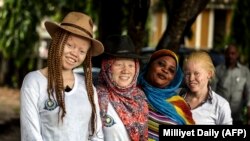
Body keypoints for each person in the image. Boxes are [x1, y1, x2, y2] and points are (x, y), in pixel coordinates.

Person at [20, 12, 104, 141]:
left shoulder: (88, 88)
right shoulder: (34, 82)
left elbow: (96, 134)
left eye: (82, 51)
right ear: (57, 41)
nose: (75, 53)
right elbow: (30, 135)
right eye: (69, 45)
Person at [96, 35, 148, 141]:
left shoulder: (140, 97)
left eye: (130, 65)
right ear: (107, 67)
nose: (125, 70)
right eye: (119, 64)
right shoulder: (96, 97)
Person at [137, 49, 195, 141]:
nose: (165, 70)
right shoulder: (132, 94)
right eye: (161, 64)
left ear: (174, 78)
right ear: (150, 65)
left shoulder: (179, 104)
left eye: (171, 70)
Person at [180, 51, 232, 125]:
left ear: (209, 74)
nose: (191, 78)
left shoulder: (221, 105)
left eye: (196, 73)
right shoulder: (175, 96)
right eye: (188, 74)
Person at [212, 44, 250, 125]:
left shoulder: (245, 71)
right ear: (224, 55)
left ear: (237, 55)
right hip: (220, 115)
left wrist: (248, 106)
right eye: (228, 53)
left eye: (233, 53)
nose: (230, 56)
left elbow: (248, 90)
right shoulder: (218, 70)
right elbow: (212, 91)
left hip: (238, 115)